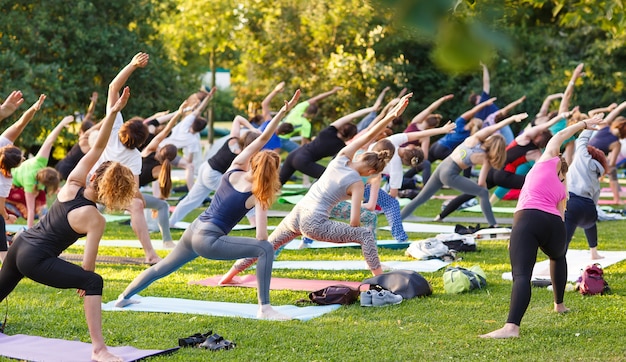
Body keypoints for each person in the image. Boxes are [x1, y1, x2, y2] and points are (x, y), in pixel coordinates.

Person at [114, 90, 302, 320]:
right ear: (273, 174)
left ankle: (124, 296)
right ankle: (265, 308)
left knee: (161, 269)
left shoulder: (235, 167)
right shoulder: (258, 194)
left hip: (194, 229)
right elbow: (261, 237)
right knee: (264, 249)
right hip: (209, 240)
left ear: (253, 160)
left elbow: (261, 139)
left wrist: (283, 111)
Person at [0, 87, 135, 361]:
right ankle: (99, 350)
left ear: (95, 176)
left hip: (21, 245)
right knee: (94, 281)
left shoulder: (73, 183)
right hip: (35, 259)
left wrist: (113, 112)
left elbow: (97, 147)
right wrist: (83, 282)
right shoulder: (95, 219)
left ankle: (100, 349)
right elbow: (88, 267)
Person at [219, 93, 413, 283]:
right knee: (365, 234)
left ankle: (228, 277)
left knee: (267, 245)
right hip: (314, 224)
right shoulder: (357, 184)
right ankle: (379, 276)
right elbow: (355, 223)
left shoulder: (343, 157)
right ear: (371, 170)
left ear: (361, 156)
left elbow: (369, 135)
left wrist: (391, 115)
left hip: (298, 213)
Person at [480, 114, 604, 339]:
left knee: (521, 275)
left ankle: (511, 328)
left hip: (528, 219)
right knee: (558, 257)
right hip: (554, 225)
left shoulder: (544, 162)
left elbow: (559, 135)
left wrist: (584, 124)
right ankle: (559, 305)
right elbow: (560, 212)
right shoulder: (563, 185)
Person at [90, 52, 160, 264]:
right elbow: (134, 190)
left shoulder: (114, 128)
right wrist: (139, 200)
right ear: (140, 142)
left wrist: (132, 65)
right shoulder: (135, 156)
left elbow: (113, 87)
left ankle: (150, 253)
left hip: (94, 187)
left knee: (135, 204)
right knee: (137, 205)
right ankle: (150, 254)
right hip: (101, 191)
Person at [400, 113, 529, 226]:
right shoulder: (486, 159)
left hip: (442, 167)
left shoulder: (474, 139)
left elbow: (494, 127)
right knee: (483, 193)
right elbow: (481, 184)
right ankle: (493, 225)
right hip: (449, 174)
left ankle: (398, 219)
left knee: (421, 198)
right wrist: (483, 194)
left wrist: (512, 118)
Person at [168, 113, 261, 227]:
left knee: (191, 200)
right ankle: (254, 222)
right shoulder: (243, 155)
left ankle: (171, 222)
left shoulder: (233, 140)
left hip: (206, 167)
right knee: (243, 193)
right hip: (212, 175)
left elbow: (237, 118)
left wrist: (253, 129)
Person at [138, 100, 189, 249]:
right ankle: (167, 241)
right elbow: (162, 195)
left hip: (124, 189)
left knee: (100, 206)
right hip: (130, 193)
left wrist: (178, 114)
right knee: (162, 206)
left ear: (162, 149)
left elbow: (166, 130)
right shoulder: (163, 171)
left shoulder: (150, 150)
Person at [0, 94, 44, 262]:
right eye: (22, 160)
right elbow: (0, 206)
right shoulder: (5, 179)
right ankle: (7, 264)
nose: (24, 159)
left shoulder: (2, 144)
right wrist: (6, 216)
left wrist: (33, 108)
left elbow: (19, 125)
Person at [7, 115, 73, 228]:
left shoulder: (40, 162)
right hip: (12, 187)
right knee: (31, 208)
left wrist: (62, 123)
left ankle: (46, 227)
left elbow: (50, 140)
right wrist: (29, 231)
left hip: (34, 184)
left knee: (43, 210)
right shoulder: (29, 183)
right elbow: (31, 210)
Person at [565, 120, 609, 260]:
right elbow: (594, 201)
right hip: (589, 212)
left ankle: (558, 258)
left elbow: (582, 140)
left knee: (565, 237)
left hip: (573, 204)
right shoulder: (596, 179)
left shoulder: (583, 158)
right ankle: (594, 252)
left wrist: (591, 124)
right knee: (590, 224)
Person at [157, 87, 215, 190]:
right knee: (189, 166)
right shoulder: (192, 140)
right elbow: (189, 160)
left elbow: (199, 109)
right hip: (168, 152)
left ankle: (161, 190)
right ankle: (191, 190)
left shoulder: (186, 123)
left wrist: (209, 97)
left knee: (159, 167)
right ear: (199, 131)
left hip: (159, 148)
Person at [587, 101, 626, 204]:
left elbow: (591, 113)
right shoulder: (617, 144)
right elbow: (612, 164)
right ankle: (617, 199)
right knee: (612, 171)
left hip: (583, 155)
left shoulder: (605, 126)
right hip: (590, 161)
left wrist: (607, 109)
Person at [55, 92, 98, 180]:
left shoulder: (83, 138)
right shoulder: (85, 141)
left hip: (62, 165)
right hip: (66, 170)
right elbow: (89, 116)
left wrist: (93, 103)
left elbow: (89, 114)